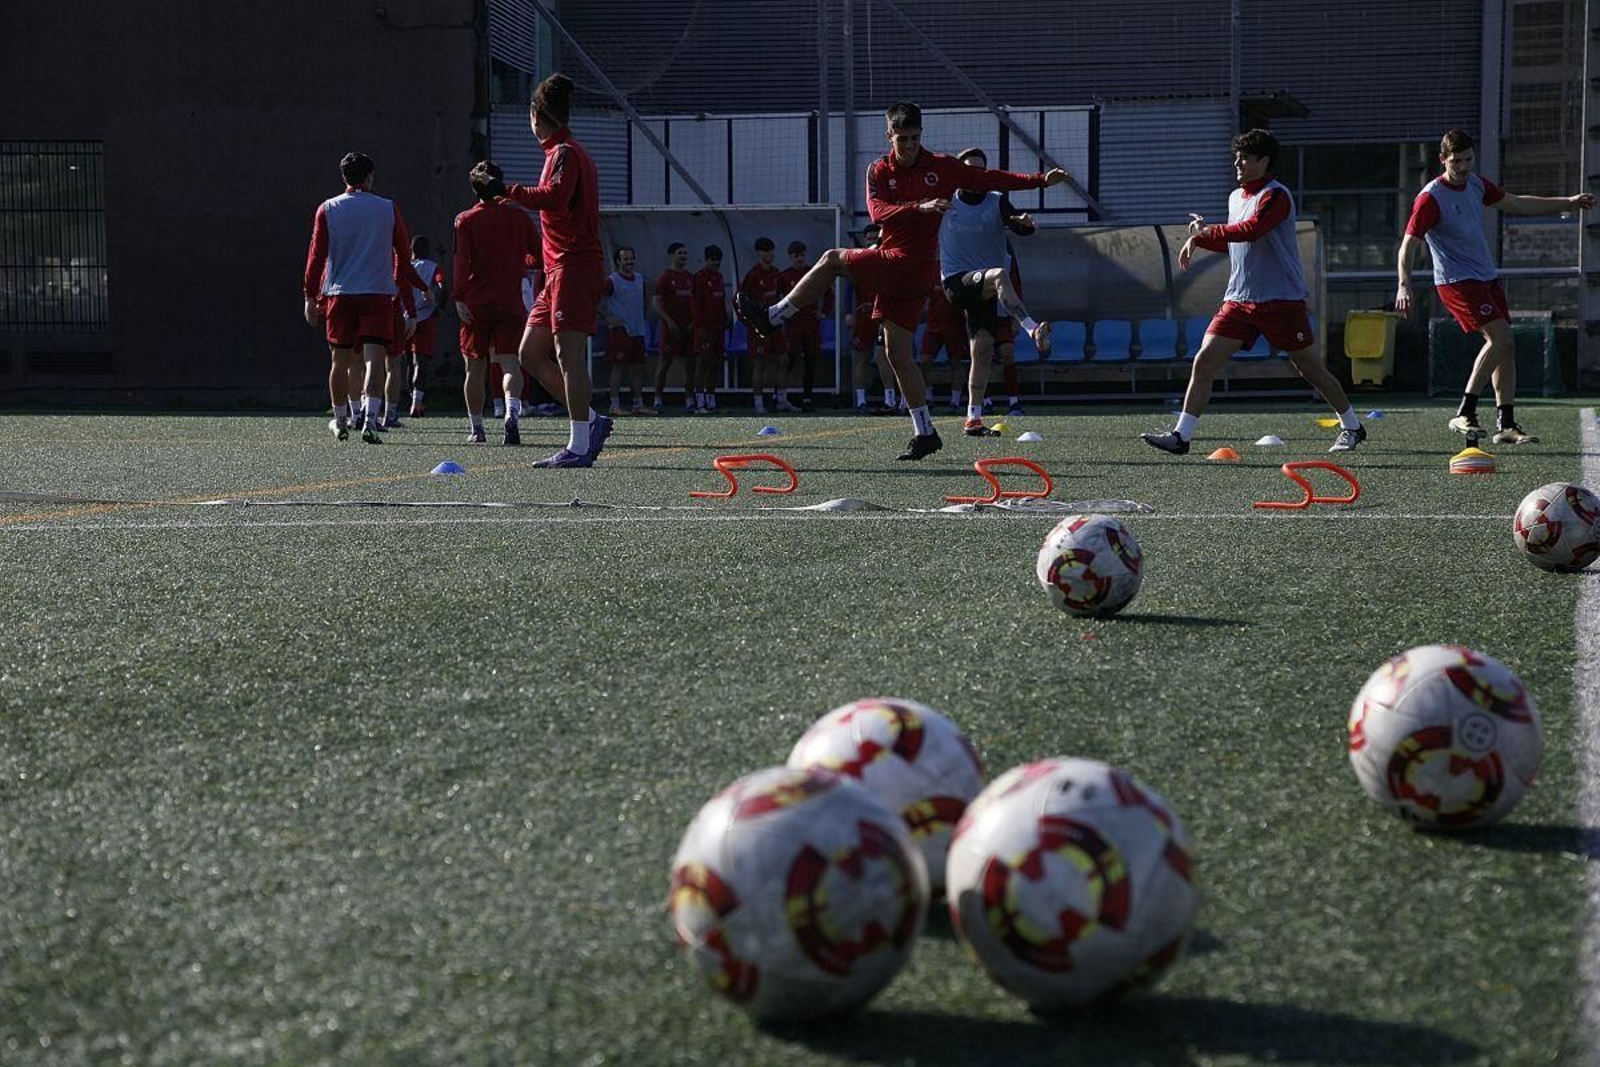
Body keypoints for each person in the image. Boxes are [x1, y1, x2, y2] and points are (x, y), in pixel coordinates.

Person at [739, 101, 1067, 460]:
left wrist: (1039, 180)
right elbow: (877, 212)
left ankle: (773, 317)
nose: (909, 146)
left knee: (832, 259)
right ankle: (925, 432)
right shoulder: (878, 170)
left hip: (911, 266)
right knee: (897, 353)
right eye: (902, 139)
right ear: (889, 136)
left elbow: (989, 180)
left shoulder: (940, 167)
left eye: (914, 138)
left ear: (921, 135)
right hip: (897, 265)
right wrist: (920, 207)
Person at [1141, 129, 1365, 455]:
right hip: (1239, 300)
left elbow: (1252, 231)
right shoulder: (1236, 197)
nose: (1238, 162)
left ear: (1264, 161)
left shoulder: (1276, 196)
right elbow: (1233, 242)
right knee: (1204, 361)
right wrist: (1202, 238)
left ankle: (1353, 427)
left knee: (1309, 368)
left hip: (1281, 301)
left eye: (1245, 157)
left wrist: (1206, 233)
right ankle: (1181, 437)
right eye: (1237, 156)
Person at [1396, 128, 1595, 446]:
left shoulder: (1475, 184)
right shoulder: (1430, 198)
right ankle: (1466, 411)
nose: (1463, 167)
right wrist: (1404, 285)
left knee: (1507, 345)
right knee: (1500, 337)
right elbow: (1407, 246)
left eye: (1468, 160)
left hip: (1485, 278)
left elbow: (1516, 203)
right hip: (1457, 282)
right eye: (1456, 161)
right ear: (1442, 159)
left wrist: (1568, 202)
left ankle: (1506, 425)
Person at [503, 74, 613, 468]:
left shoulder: (565, 151)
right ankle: (592, 422)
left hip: (574, 265)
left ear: (536, 115)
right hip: (557, 268)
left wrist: (507, 190)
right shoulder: (561, 151)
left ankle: (580, 445)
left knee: (568, 357)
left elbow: (556, 197)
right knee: (530, 354)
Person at [302, 152, 417, 444]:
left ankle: (340, 420)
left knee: (339, 362)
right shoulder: (388, 208)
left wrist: (309, 295)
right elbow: (404, 255)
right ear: (369, 177)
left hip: (340, 292)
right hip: (377, 292)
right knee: (374, 361)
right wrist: (397, 284)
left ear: (343, 178)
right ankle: (369, 420)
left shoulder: (328, 208)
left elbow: (317, 255)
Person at [939, 147, 1047, 429]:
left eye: (980, 169)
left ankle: (973, 418)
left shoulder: (997, 201)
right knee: (1000, 274)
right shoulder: (946, 201)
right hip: (956, 281)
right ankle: (1032, 327)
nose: (974, 174)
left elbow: (1019, 226)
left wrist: (1026, 224)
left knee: (983, 350)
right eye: (969, 169)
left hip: (983, 288)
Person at [453, 160, 541, 446]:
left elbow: (461, 260)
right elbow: (538, 255)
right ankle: (511, 413)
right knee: (510, 364)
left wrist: (458, 295)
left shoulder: (465, 219)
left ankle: (477, 429)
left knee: (474, 368)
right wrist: (521, 262)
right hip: (509, 300)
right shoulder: (518, 217)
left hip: (476, 302)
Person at [738, 237, 795, 414]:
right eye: (765, 250)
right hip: (759, 326)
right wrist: (749, 322)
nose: (769, 254)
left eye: (771, 250)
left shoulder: (777, 274)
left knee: (783, 359)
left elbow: (784, 296)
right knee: (760, 362)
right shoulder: (753, 275)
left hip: (775, 323)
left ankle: (782, 400)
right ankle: (758, 404)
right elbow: (739, 300)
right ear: (758, 253)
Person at [777, 240, 833, 412]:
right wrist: (780, 315)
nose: (799, 259)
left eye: (802, 255)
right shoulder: (784, 276)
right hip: (793, 324)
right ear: (790, 257)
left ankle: (807, 398)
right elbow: (777, 299)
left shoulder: (812, 272)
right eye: (796, 256)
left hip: (810, 323)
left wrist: (824, 312)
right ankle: (779, 397)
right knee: (789, 360)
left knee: (811, 360)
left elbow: (828, 293)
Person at [601, 245, 653, 416]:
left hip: (638, 329)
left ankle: (638, 403)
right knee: (618, 367)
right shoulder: (612, 280)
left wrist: (642, 315)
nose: (629, 262)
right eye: (625, 259)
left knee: (638, 368)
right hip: (620, 330)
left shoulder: (639, 279)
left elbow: (645, 299)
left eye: (631, 258)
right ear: (618, 261)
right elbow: (597, 299)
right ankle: (614, 404)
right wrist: (608, 317)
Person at [652, 241, 696, 413]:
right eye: (680, 253)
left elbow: (695, 303)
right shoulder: (665, 277)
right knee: (664, 363)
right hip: (671, 329)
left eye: (685, 253)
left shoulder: (690, 278)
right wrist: (669, 321)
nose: (683, 256)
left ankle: (690, 399)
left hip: (688, 328)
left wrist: (693, 322)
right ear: (671, 255)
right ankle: (657, 399)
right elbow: (656, 303)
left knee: (689, 364)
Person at [406, 235, 447, 418]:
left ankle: (406, 402)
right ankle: (417, 403)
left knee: (407, 362)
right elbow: (442, 285)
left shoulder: (405, 266)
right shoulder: (433, 267)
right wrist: (440, 303)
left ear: (411, 250)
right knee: (420, 361)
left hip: (406, 316)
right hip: (426, 316)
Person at [917, 289, 971, 418]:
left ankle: (955, 400)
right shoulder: (931, 274)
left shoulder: (955, 271)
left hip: (954, 325)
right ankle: (928, 396)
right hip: (933, 324)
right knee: (925, 360)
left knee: (955, 362)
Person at [691, 244, 731, 414]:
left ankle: (711, 400)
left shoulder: (719, 277)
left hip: (718, 328)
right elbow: (696, 304)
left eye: (718, 260)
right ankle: (699, 403)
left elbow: (721, 301)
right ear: (706, 260)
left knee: (714, 364)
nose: (716, 263)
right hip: (705, 329)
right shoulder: (699, 277)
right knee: (702, 363)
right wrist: (699, 327)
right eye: (713, 260)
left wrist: (726, 319)